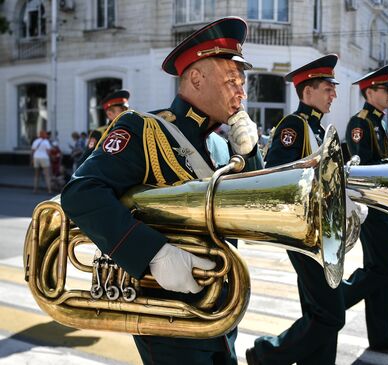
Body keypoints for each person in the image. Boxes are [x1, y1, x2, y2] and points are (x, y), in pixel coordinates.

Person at [61, 16, 263, 365]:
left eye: (242, 82)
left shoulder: (219, 146)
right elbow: (81, 193)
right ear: (196, 78)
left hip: (221, 307)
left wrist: (250, 149)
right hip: (169, 315)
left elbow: (255, 211)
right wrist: (155, 253)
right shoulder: (143, 128)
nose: (241, 92)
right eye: (231, 79)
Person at [246, 54, 346, 365]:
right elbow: (277, 174)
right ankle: (266, 353)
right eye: (328, 88)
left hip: (321, 230)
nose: (334, 95)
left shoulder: (318, 128)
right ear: (307, 92)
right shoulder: (294, 125)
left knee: (318, 311)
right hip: (304, 232)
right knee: (331, 315)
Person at [342, 64, 388, 356]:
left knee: (381, 273)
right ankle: (333, 303)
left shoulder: (380, 122)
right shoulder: (361, 123)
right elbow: (366, 169)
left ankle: (381, 336)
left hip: (383, 207)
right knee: (379, 272)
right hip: (372, 207)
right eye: (385, 90)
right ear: (369, 92)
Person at [79, 89, 131, 164]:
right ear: (109, 114)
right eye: (122, 110)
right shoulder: (98, 133)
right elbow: (87, 156)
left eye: (127, 109)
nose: (127, 112)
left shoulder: (132, 129)